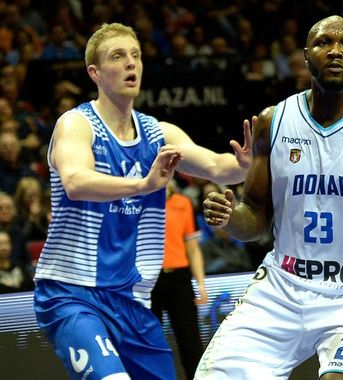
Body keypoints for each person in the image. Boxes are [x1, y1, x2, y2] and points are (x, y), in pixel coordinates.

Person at [33, 22, 254, 380]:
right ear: (95, 72)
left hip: (132, 302)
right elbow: (75, 181)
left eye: (135, 55)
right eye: (117, 57)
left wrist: (245, 165)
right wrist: (143, 184)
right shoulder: (76, 124)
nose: (130, 64)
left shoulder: (158, 132)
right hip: (72, 293)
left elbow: (216, 165)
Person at [197, 16, 343, 380]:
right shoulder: (271, 121)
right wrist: (230, 217)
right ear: (306, 56)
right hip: (281, 287)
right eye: (324, 43)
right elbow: (256, 217)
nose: (335, 51)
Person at [151, 180, 205, 379]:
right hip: (149, 280)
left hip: (180, 280)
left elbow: (192, 248)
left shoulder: (183, 202)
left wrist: (200, 283)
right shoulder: (137, 202)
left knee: (190, 342)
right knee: (150, 342)